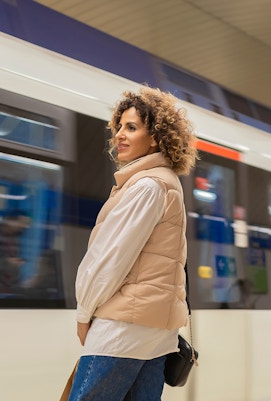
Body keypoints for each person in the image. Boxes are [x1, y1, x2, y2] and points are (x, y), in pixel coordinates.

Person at [69, 87, 198, 401]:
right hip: (157, 331)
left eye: (131, 128)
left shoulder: (147, 186)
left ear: (154, 137)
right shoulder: (165, 183)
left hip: (124, 327)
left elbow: (109, 259)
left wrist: (84, 313)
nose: (119, 137)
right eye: (119, 128)